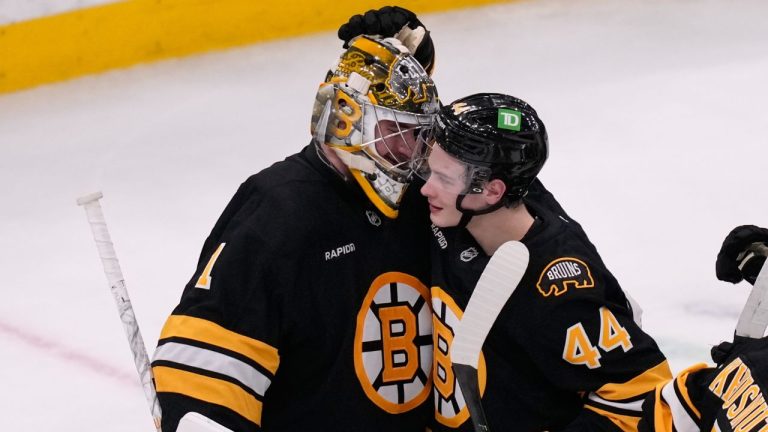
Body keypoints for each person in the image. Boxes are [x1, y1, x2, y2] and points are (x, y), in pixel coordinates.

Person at [150, 35, 440, 431]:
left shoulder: (424, 200)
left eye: (418, 135)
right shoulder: (279, 212)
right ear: (347, 119)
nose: (413, 152)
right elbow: (207, 375)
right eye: (396, 132)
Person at [413, 93, 673, 430]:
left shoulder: (559, 290)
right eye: (431, 171)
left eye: (444, 180)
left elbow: (645, 396)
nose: (425, 190)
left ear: (492, 191)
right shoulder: (496, 196)